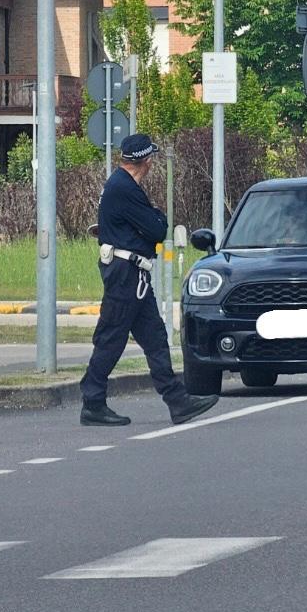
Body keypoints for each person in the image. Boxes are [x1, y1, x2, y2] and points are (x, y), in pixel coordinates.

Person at [80, 134, 220, 427]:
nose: (152, 163)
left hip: (134, 273)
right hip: (125, 273)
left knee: (155, 337)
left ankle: (178, 401)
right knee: (111, 338)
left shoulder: (122, 185)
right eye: (151, 158)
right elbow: (157, 229)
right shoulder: (124, 188)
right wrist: (155, 215)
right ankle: (92, 402)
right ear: (145, 161)